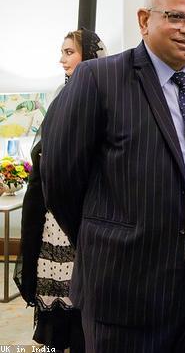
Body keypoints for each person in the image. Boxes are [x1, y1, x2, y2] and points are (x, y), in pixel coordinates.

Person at [40, 0, 185, 353]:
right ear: (144, 20)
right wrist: (109, 241)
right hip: (125, 286)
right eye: (176, 17)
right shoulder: (98, 79)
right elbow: (60, 179)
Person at [16, 29, 106, 353]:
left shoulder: (104, 97)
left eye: (69, 52)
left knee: (81, 302)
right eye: (62, 52)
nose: (62, 59)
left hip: (83, 214)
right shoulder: (60, 94)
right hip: (53, 217)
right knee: (57, 305)